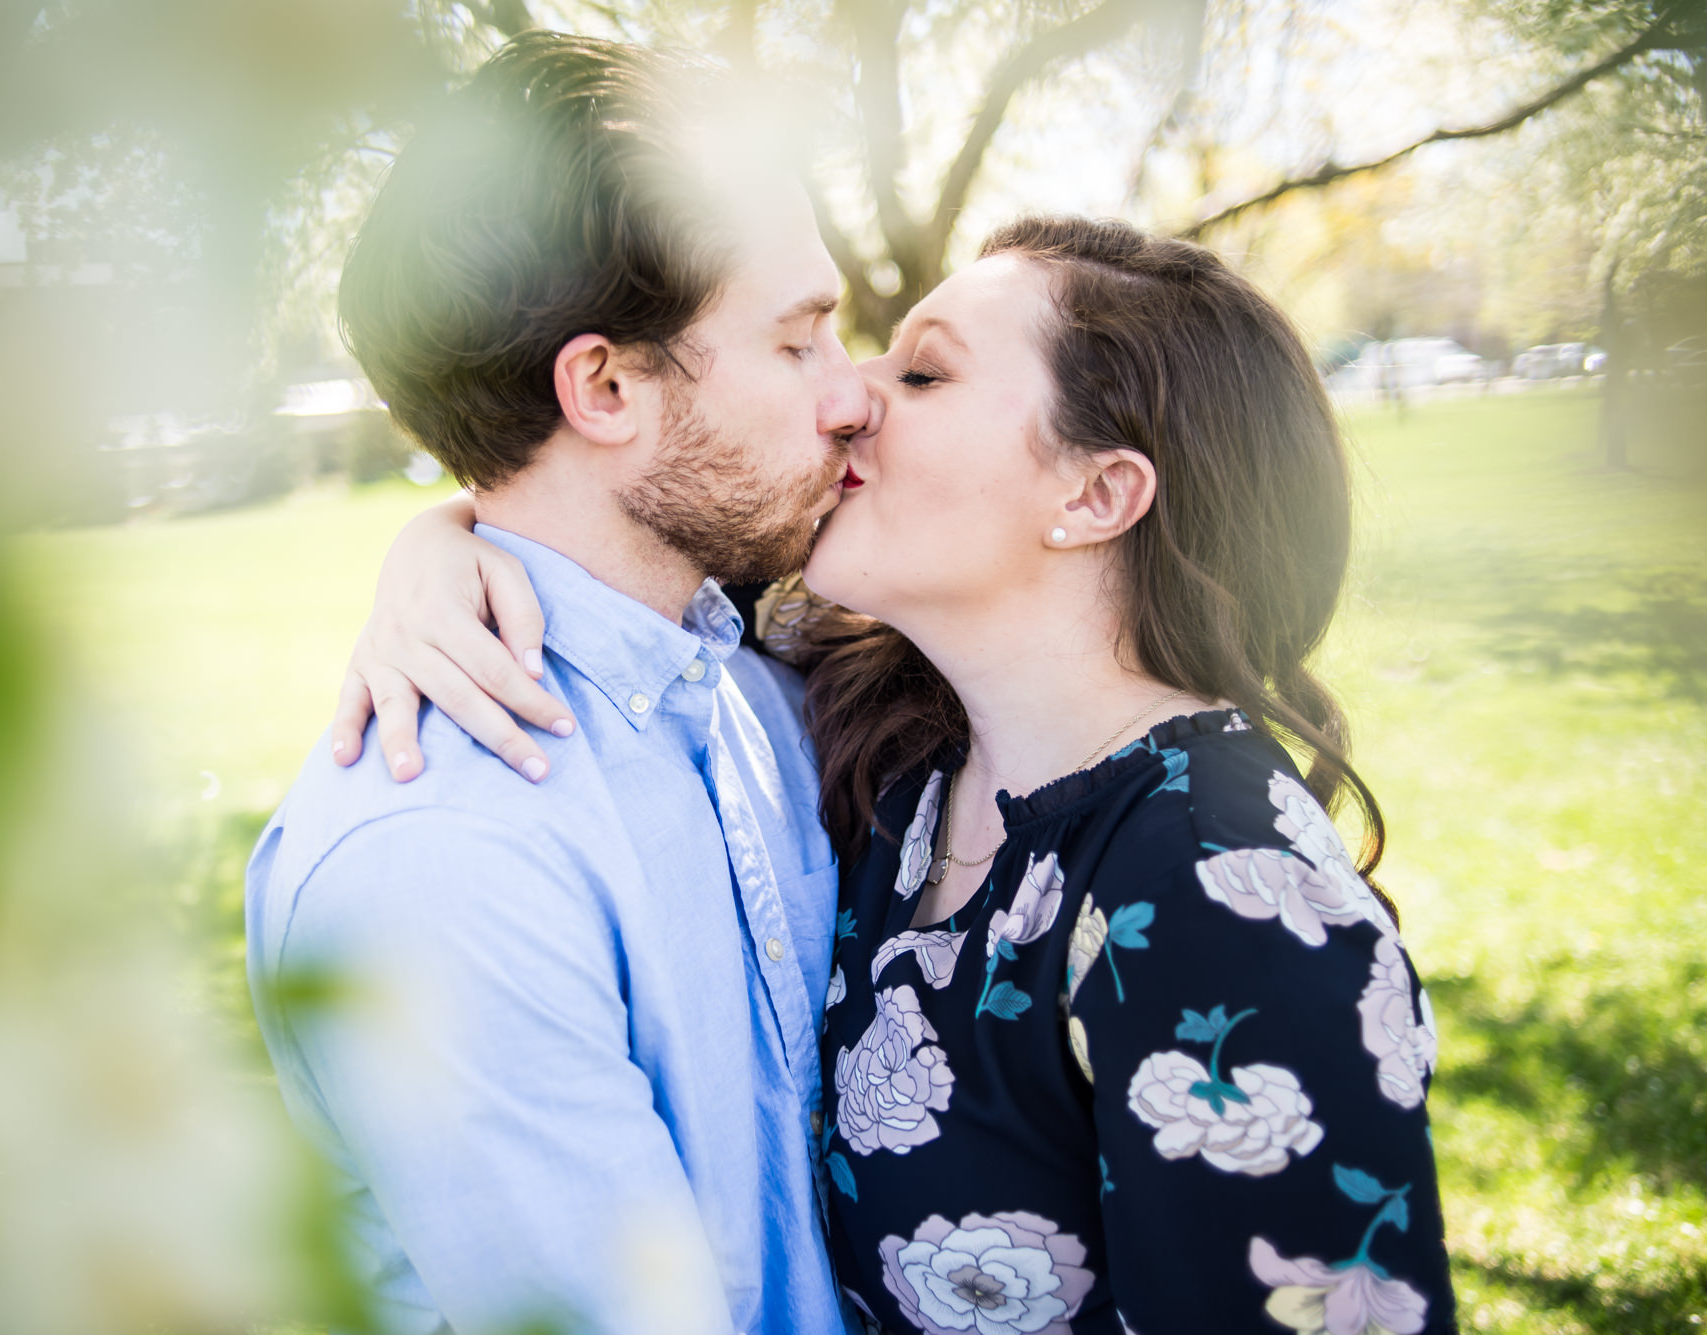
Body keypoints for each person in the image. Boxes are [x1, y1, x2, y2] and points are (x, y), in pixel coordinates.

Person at [337, 216, 1459, 1332]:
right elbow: (602, 545)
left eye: (921, 373)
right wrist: (446, 545)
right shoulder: (889, 740)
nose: (849, 396)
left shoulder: (1221, 888)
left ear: (1092, 497)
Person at [245, 32, 869, 1335]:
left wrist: (436, 539)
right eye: (802, 341)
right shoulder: (452, 857)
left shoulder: (757, 690)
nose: (854, 396)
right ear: (605, 385)